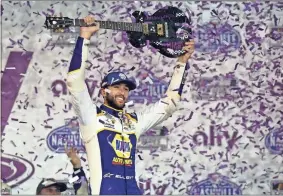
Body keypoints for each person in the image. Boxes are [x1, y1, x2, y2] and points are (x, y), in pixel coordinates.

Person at [66, 15, 194, 195]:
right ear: (104, 91)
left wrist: (181, 62)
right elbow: (74, 81)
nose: (122, 92)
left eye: (126, 88)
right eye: (116, 87)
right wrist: (84, 37)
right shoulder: (91, 116)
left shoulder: (133, 122)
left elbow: (169, 104)